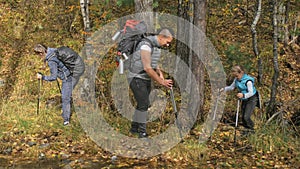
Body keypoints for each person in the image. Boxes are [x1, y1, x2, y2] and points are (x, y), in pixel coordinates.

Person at [128, 28, 174, 138]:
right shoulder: (145, 46)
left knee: (142, 103)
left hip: (145, 78)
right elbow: (147, 68)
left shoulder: (156, 46)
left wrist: (160, 73)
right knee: (144, 104)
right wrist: (162, 82)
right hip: (136, 77)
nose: (167, 45)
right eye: (167, 42)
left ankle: (134, 128)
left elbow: (153, 62)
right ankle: (142, 133)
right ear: (161, 37)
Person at [34, 44, 84, 126]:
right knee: (67, 96)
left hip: (67, 78)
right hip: (73, 74)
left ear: (41, 53)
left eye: (38, 54)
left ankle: (66, 121)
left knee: (65, 98)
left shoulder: (51, 60)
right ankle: (67, 112)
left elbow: (53, 77)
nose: (38, 57)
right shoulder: (53, 51)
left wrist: (42, 77)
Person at [222, 65, 258, 135]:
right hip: (244, 98)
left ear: (241, 73)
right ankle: (246, 131)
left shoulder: (248, 81)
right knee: (243, 116)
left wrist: (243, 95)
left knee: (246, 116)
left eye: (237, 75)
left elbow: (250, 92)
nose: (236, 77)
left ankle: (252, 130)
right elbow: (231, 87)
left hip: (252, 98)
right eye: (235, 76)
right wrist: (223, 89)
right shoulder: (236, 79)